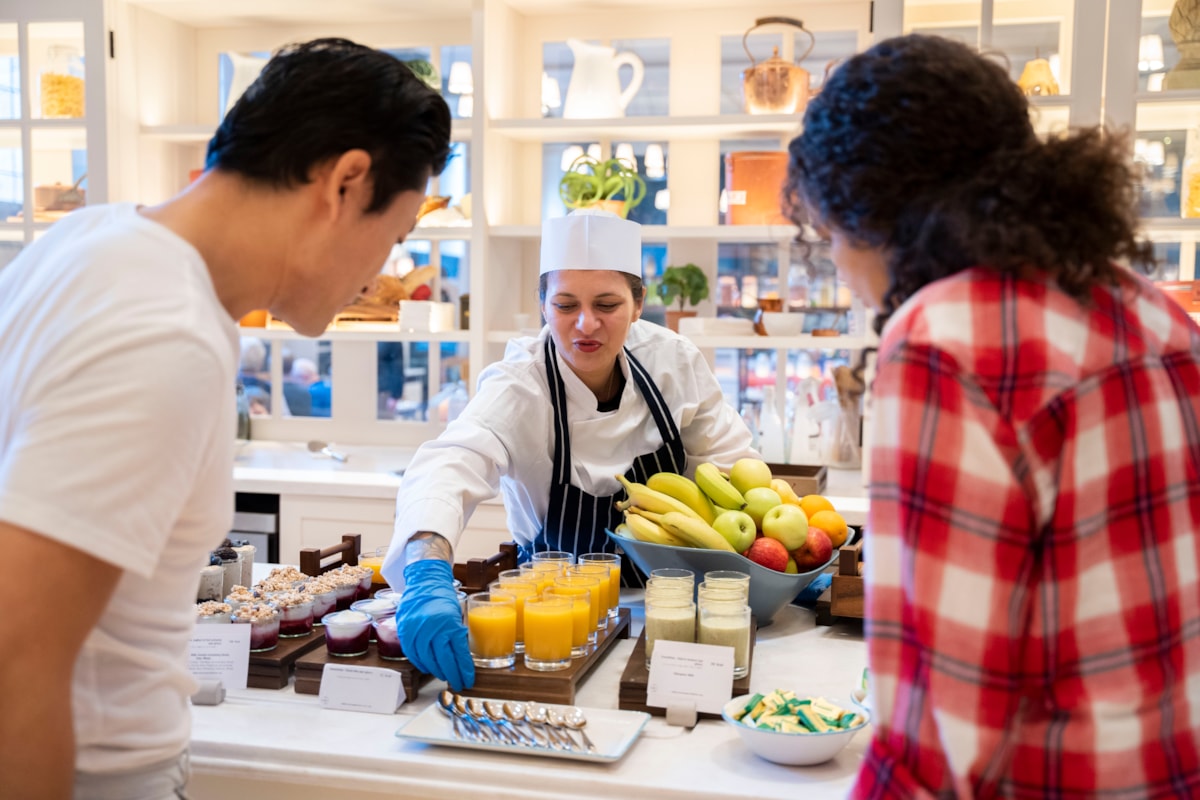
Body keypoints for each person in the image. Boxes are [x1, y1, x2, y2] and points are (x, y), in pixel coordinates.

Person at [0, 38, 450, 798]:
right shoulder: (163, 332)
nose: (381, 275)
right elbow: (17, 657)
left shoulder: (90, 240)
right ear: (346, 181)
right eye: (394, 238)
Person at [784, 34, 1200, 797]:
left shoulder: (945, 341)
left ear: (878, 212)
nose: (838, 265)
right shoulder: (1152, 312)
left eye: (831, 232)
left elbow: (936, 734)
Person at [381, 208, 756, 690]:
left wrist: (770, 561)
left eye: (607, 304)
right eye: (564, 305)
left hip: (675, 617)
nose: (586, 324)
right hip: (551, 629)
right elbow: (451, 462)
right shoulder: (521, 383)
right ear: (542, 305)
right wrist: (426, 570)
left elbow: (731, 469)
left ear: (638, 304)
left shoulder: (673, 362)